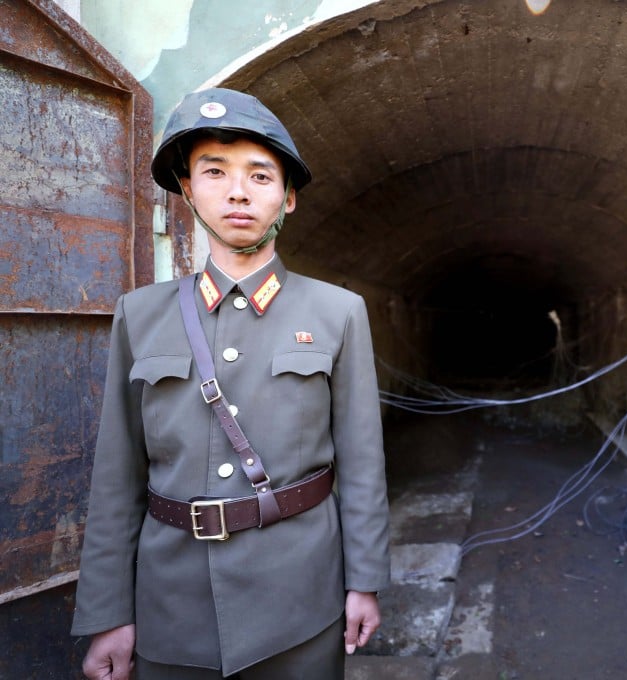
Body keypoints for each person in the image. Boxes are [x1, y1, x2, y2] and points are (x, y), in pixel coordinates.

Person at [71, 87, 390, 679]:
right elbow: (117, 474)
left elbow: (363, 461)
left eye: (260, 176)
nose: (238, 191)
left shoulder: (337, 312)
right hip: (172, 603)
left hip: (300, 598)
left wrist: (365, 582)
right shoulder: (140, 314)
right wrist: (108, 612)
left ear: (288, 198)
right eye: (215, 172)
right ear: (188, 190)